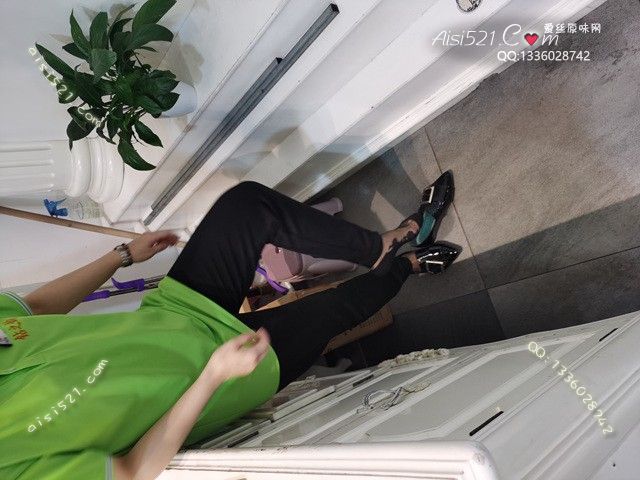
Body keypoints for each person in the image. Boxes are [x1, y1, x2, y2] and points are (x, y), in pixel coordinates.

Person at [0, 172, 457, 480]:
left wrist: (121, 256)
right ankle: (410, 265)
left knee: (247, 206)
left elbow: (33, 306)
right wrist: (213, 377)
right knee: (336, 310)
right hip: (213, 376)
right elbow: (134, 470)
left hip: (173, 314)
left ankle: (379, 246)